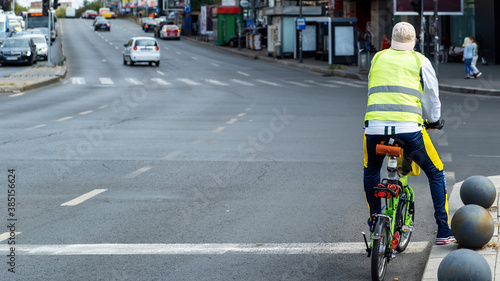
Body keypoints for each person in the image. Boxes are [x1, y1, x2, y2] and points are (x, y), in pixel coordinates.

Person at [363, 22, 454, 245]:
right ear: (414, 41)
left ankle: (375, 219)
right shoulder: (419, 60)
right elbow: (432, 96)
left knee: (371, 170)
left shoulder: (378, 58)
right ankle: (443, 230)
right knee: (436, 172)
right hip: (409, 131)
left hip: (374, 129)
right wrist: (433, 120)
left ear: (391, 41)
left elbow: (371, 88)